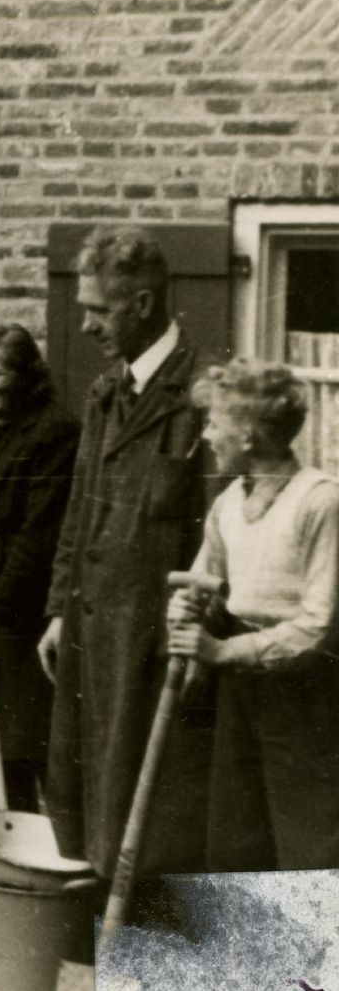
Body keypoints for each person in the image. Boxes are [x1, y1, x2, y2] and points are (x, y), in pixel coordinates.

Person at [40, 227, 215, 893]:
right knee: (89, 792)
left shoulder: (200, 393)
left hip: (152, 636)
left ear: (142, 304)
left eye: (97, 310)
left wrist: (197, 636)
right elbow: (78, 509)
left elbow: (217, 535)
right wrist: (58, 609)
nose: (85, 325)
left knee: (151, 802)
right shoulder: (104, 392)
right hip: (92, 628)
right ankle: (102, 933)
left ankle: (146, 945)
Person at [165, 362, 339, 872]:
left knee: (308, 838)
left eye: (215, 423)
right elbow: (206, 584)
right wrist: (188, 606)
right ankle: (249, 954)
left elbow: (320, 625)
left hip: (307, 694)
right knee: (238, 834)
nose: (207, 435)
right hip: (239, 689)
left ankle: (318, 952)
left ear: (248, 433)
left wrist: (222, 651)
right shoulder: (228, 504)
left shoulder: (320, 502)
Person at [0, 323, 82, 812]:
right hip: (14, 596)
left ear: (26, 374)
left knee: (33, 743)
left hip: (43, 604)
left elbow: (41, 533)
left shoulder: (54, 430)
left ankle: (56, 850)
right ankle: (21, 837)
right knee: (7, 741)